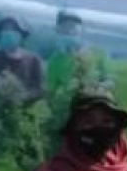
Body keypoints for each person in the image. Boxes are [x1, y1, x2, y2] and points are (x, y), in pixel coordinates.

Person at [0, 15, 45, 169]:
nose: (9, 34)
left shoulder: (33, 60)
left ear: (21, 35)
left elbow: (40, 89)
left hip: (24, 116)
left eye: (13, 30)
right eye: (5, 31)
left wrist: (22, 97)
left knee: (28, 160)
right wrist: (1, 93)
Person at [44, 10, 112, 145]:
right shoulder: (56, 60)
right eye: (64, 29)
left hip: (98, 106)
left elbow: (109, 80)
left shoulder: (98, 53)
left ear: (81, 31)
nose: (69, 32)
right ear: (58, 32)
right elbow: (50, 92)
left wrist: (98, 89)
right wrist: (57, 112)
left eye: (73, 28)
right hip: (69, 109)